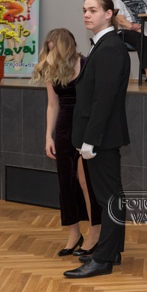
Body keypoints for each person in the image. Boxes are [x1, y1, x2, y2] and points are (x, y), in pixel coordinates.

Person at [63, 0, 131, 278]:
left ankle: (102, 260)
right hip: (101, 135)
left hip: (101, 137)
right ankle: (111, 251)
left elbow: (104, 99)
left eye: (93, 10)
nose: (86, 15)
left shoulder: (110, 47)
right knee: (111, 196)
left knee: (109, 198)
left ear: (108, 14)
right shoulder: (104, 45)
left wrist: (91, 139)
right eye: (84, 10)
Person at [31, 28, 100, 256]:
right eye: (49, 49)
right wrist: (48, 136)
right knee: (65, 182)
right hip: (63, 128)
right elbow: (53, 105)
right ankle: (74, 233)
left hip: (85, 127)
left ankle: (95, 232)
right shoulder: (51, 68)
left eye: (55, 48)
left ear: (66, 46)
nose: (51, 53)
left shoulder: (86, 63)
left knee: (86, 182)